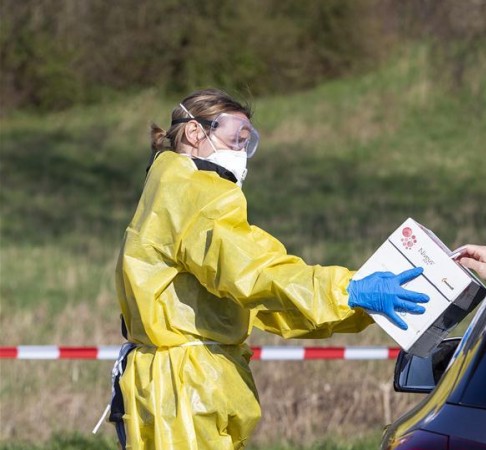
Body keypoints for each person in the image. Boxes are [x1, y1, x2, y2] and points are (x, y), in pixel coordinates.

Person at [107, 88, 430, 449]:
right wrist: (348, 290)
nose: (241, 153)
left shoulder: (168, 187)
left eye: (248, 143)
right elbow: (258, 274)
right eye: (234, 139)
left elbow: (261, 301)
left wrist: (356, 308)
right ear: (195, 132)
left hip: (171, 384)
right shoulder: (197, 193)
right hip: (187, 389)